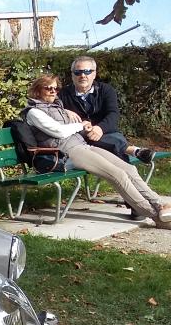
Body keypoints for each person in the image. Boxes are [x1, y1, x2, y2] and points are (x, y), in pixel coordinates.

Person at [23, 74, 171, 226]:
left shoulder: (56, 106)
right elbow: (58, 131)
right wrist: (81, 125)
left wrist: (82, 125)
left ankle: (160, 205)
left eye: (55, 88)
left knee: (128, 168)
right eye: (48, 88)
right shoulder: (33, 112)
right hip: (67, 153)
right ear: (37, 91)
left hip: (82, 146)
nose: (53, 91)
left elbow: (67, 127)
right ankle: (155, 216)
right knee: (117, 175)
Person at [58, 56, 155, 164]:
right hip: (79, 137)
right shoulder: (62, 94)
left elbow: (113, 113)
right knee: (110, 147)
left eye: (87, 71)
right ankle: (133, 151)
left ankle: (130, 175)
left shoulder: (106, 90)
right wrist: (64, 111)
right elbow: (49, 109)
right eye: (78, 72)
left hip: (106, 133)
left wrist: (100, 128)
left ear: (94, 74)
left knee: (115, 148)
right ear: (72, 75)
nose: (83, 75)